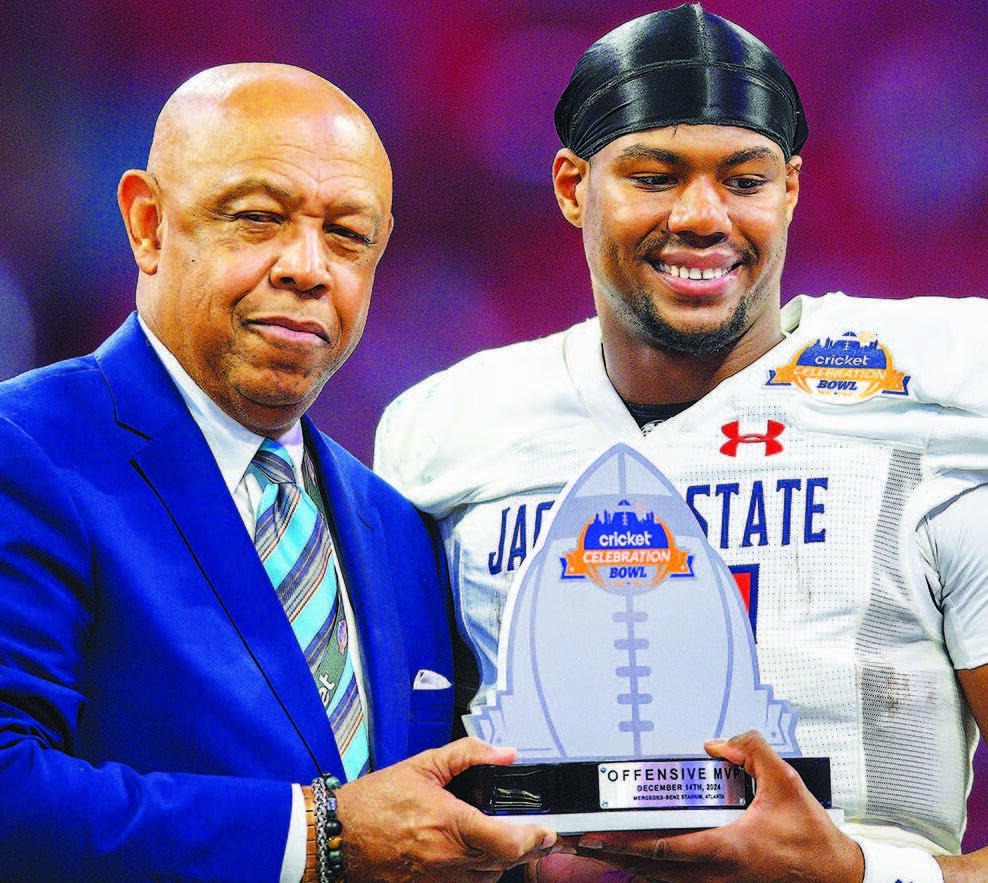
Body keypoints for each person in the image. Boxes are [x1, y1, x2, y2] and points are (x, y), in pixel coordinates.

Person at [375, 4, 988, 881]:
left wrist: (862, 871)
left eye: (744, 179)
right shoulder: (448, 432)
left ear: (792, 190)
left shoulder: (935, 401)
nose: (704, 216)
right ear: (570, 185)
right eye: (655, 176)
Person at [0, 63, 558, 882]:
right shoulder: (26, 450)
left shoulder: (397, 527)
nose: (308, 266)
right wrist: (318, 835)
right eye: (258, 218)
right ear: (148, 224)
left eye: (347, 235)